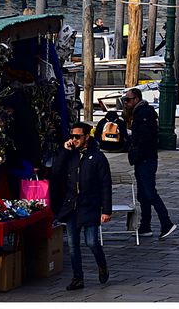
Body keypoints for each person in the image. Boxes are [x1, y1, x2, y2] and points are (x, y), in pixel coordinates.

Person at [51, 122, 112, 291]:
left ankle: (102, 264)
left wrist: (106, 210)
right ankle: (78, 278)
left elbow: (106, 184)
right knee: (72, 245)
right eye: (72, 136)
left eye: (77, 136)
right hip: (71, 207)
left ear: (87, 137)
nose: (74, 139)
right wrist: (64, 151)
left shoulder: (97, 157)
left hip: (90, 206)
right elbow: (55, 172)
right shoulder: (70, 155)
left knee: (91, 241)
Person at [122, 89, 176, 239]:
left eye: (128, 100)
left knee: (150, 192)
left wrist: (136, 152)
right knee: (143, 195)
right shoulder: (138, 112)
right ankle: (145, 226)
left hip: (146, 159)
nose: (126, 103)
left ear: (137, 99)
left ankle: (166, 223)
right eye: (125, 100)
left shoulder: (144, 113)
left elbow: (145, 139)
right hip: (142, 159)